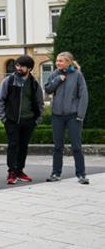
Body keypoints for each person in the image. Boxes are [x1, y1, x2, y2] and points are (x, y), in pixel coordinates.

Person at [0, 55, 44, 185]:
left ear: (29, 68)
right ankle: (11, 172)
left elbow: (40, 102)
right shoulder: (9, 81)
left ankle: (20, 170)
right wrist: (3, 118)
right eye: (17, 65)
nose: (18, 68)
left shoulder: (34, 84)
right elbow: (0, 99)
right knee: (13, 145)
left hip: (29, 120)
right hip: (11, 120)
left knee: (23, 146)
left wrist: (37, 119)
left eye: (21, 66)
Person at [44, 51, 89, 184]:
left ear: (68, 62)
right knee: (57, 146)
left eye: (61, 61)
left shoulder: (77, 75)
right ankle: (55, 173)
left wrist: (80, 115)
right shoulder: (54, 74)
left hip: (73, 116)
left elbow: (84, 96)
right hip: (57, 115)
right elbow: (47, 89)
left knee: (76, 146)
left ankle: (81, 175)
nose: (57, 63)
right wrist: (58, 80)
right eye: (57, 60)